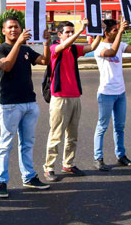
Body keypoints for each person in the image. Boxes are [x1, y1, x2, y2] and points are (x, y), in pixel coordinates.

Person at [0, 16, 51, 198]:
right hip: (10, 105)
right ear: (3, 31)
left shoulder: (26, 49)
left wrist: (47, 43)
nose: (14, 30)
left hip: (29, 103)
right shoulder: (0, 49)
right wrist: (18, 43)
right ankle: (1, 181)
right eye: (10, 27)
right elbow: (7, 66)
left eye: (16, 27)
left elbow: (45, 61)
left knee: (27, 143)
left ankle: (29, 176)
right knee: (5, 144)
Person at [42, 20, 101, 182]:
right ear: (59, 35)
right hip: (60, 97)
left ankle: (68, 163)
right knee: (56, 135)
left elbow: (92, 47)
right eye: (67, 32)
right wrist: (81, 30)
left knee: (72, 135)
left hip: (75, 96)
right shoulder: (55, 48)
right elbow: (63, 45)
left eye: (71, 31)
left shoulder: (74, 49)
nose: (69, 34)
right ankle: (49, 167)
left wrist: (99, 33)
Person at [92, 19, 131, 171]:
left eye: (117, 29)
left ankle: (121, 155)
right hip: (106, 93)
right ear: (106, 32)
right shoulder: (99, 47)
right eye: (114, 30)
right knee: (102, 126)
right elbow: (112, 52)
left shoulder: (120, 44)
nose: (117, 31)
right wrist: (121, 31)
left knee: (120, 127)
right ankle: (98, 158)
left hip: (120, 92)